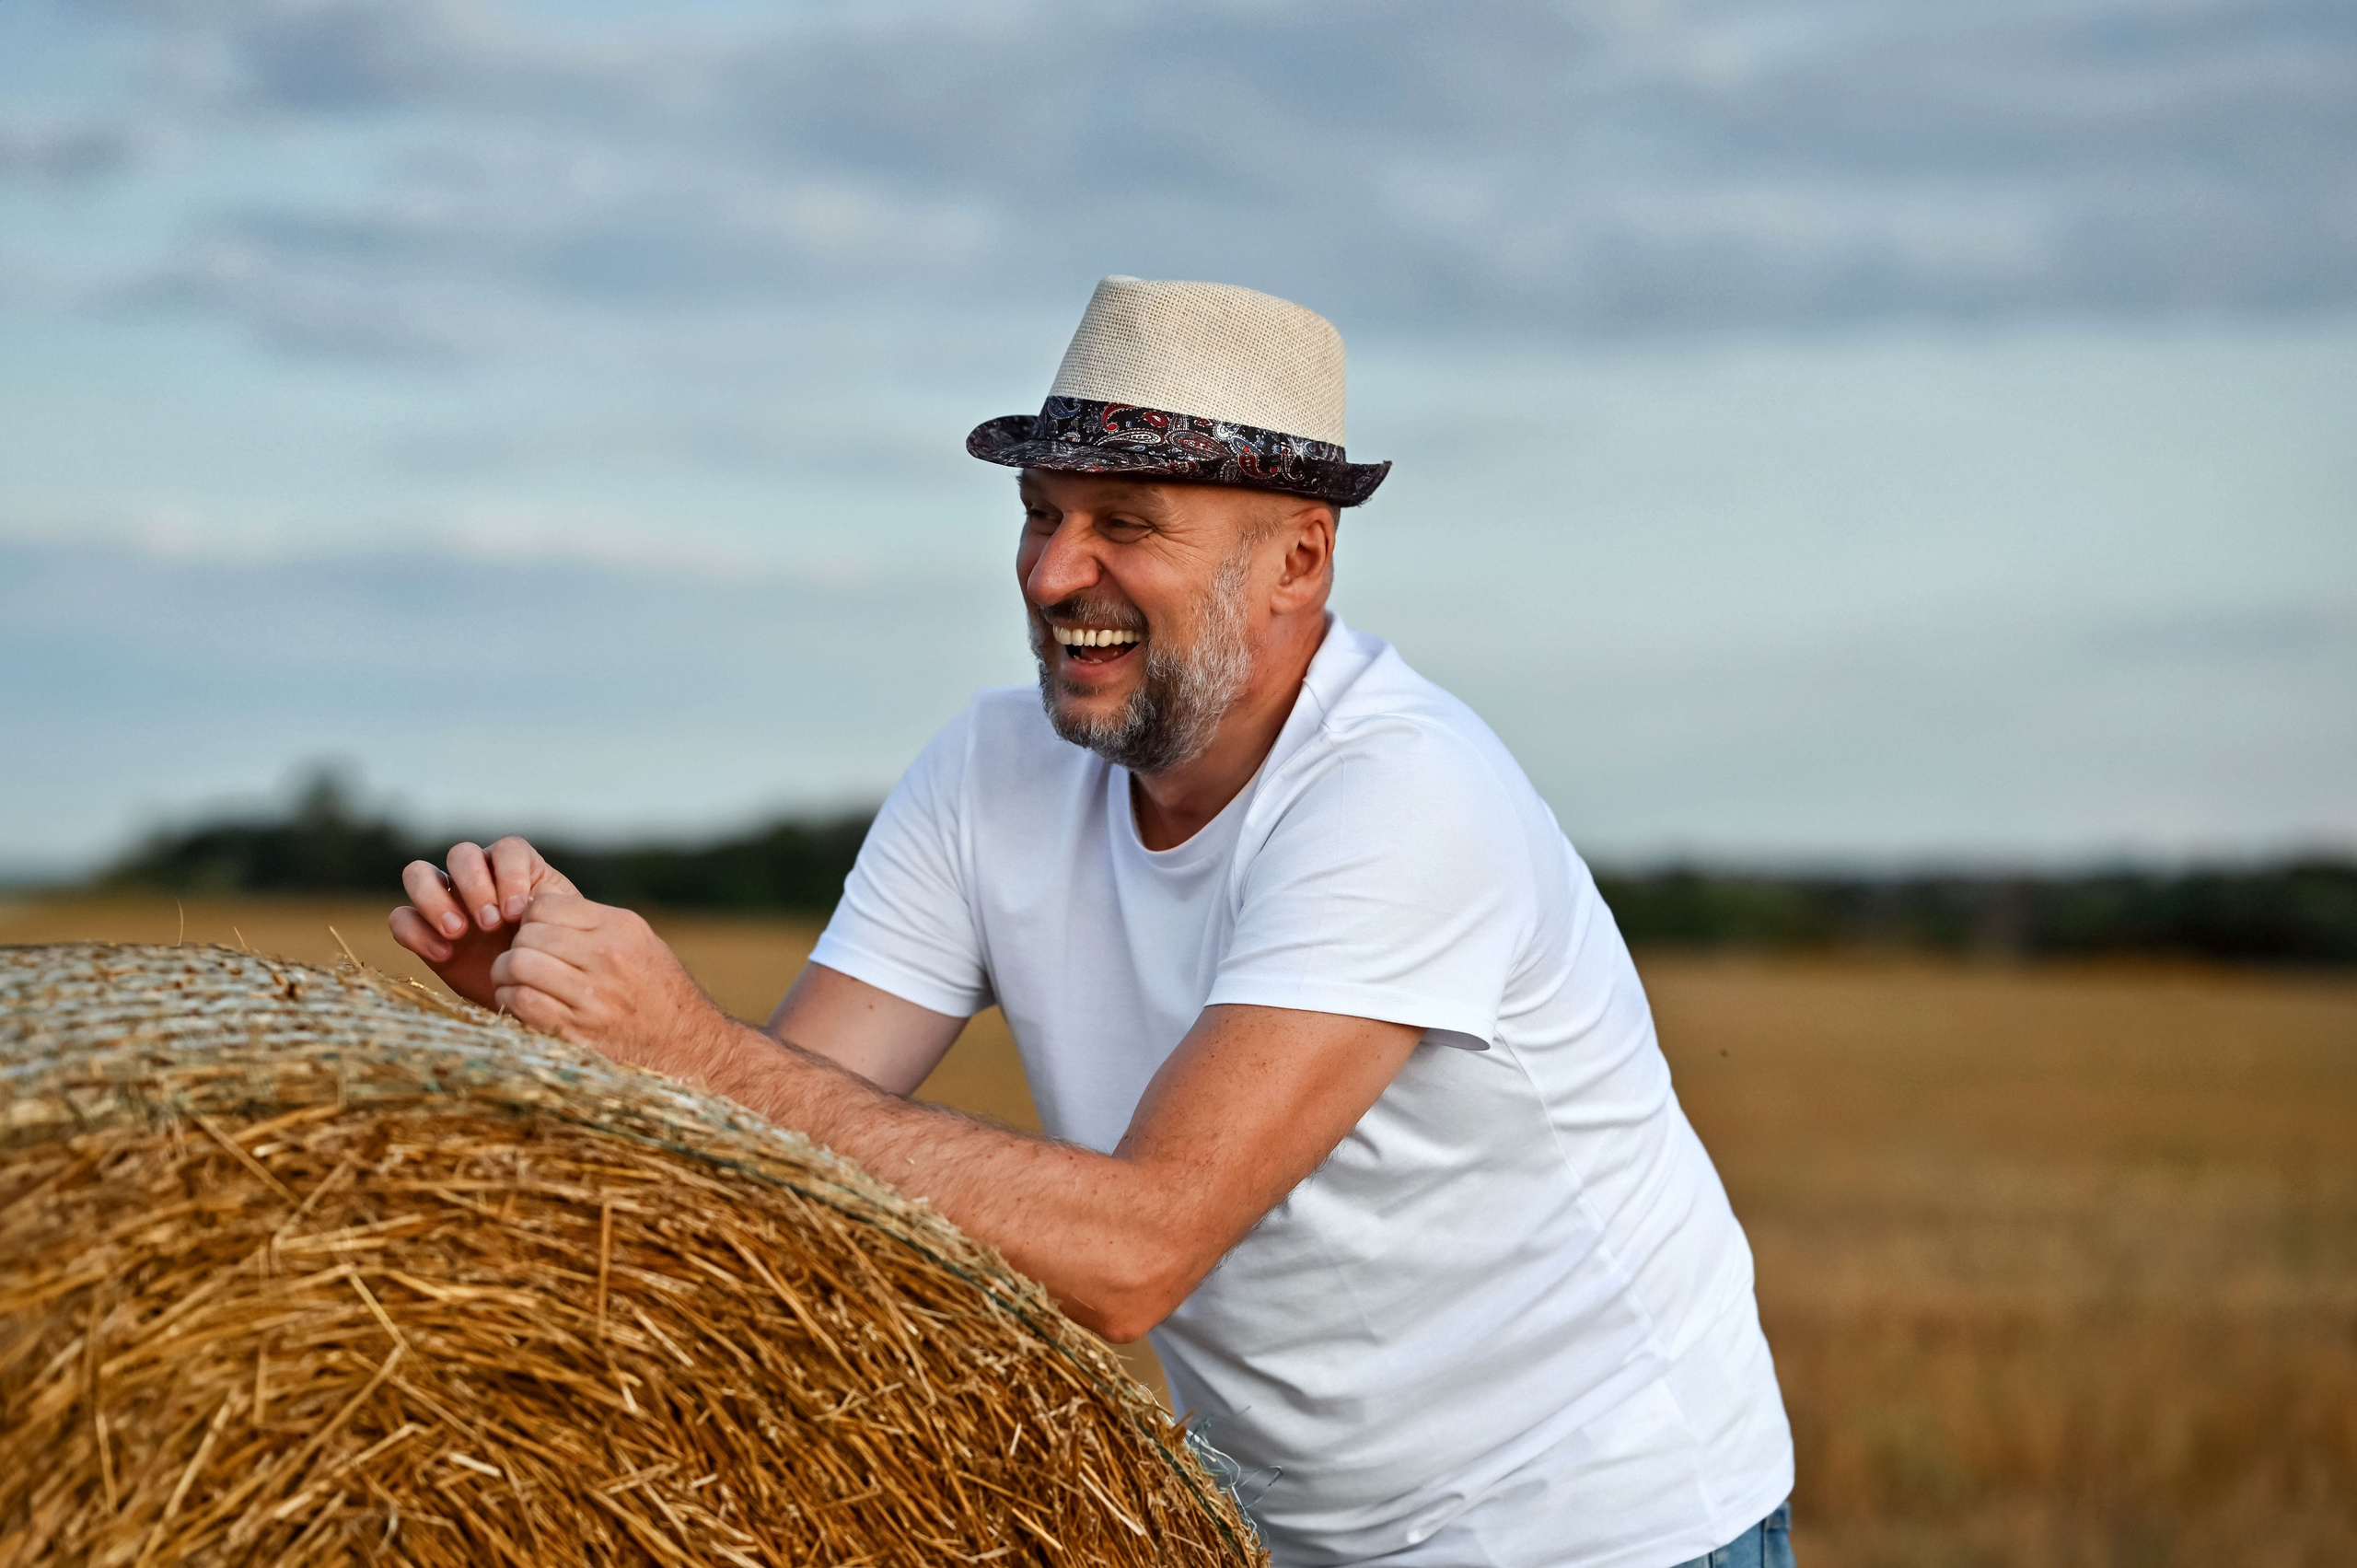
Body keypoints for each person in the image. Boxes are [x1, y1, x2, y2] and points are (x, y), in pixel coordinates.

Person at [389, 276, 1795, 1568]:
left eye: (1126, 525)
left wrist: (690, 1048)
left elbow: (1140, 1252)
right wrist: (566, 1026)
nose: (1057, 575)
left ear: (1299, 561)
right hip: (1294, 1532)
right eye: (1041, 514)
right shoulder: (990, 771)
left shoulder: (1405, 798)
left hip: (1606, 1521)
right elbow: (771, 1165)